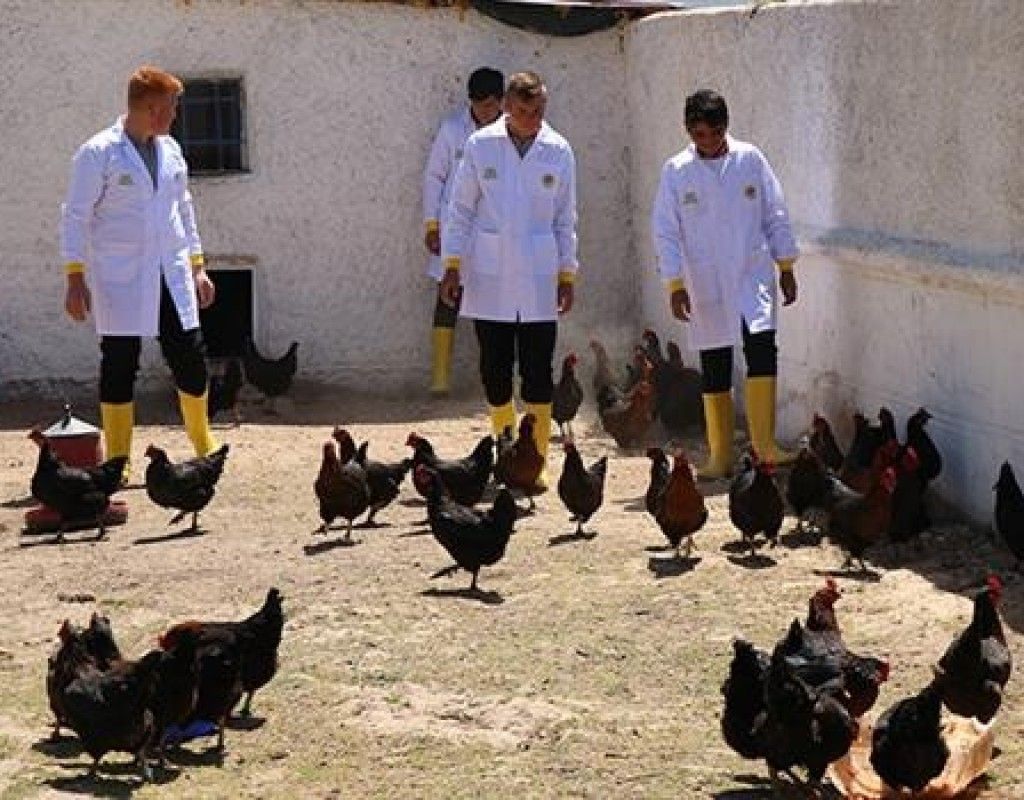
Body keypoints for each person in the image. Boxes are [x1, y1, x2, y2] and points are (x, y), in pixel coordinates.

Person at [60, 66, 219, 480]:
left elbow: (184, 210)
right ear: (151, 108)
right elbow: (75, 216)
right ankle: (117, 461)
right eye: (171, 107)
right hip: (121, 276)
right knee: (119, 361)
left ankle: (205, 446)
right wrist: (75, 277)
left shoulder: (171, 150)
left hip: (171, 271)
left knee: (189, 354)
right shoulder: (98, 153)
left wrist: (198, 267)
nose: (175, 115)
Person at [652, 89, 799, 478]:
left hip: (752, 272)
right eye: (700, 134)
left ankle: (764, 446)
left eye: (716, 133)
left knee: (762, 349)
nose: (709, 142)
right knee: (715, 359)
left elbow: (775, 212)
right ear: (688, 130)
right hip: (705, 278)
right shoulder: (676, 171)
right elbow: (665, 231)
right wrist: (674, 283)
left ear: (726, 126)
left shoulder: (751, 160)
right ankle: (720, 455)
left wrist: (786, 264)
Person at [440, 70, 578, 485]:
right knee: (494, 369)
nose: (532, 120)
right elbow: (461, 209)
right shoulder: (480, 146)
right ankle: (506, 451)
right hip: (490, 276)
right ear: (506, 106)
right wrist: (452, 264)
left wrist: (567, 273)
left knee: (538, 371)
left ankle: (535, 462)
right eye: (523, 111)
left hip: (539, 277)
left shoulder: (558, 149)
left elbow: (565, 217)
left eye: (538, 111)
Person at [422, 67, 505, 395]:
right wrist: (432, 224)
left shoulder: (510, 133)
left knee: (494, 307)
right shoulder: (452, 130)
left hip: (493, 230)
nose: (485, 112)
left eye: (491, 105)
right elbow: (434, 177)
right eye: (479, 105)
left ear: (502, 101)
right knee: (447, 299)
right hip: (454, 226)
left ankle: (495, 381)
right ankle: (440, 379)